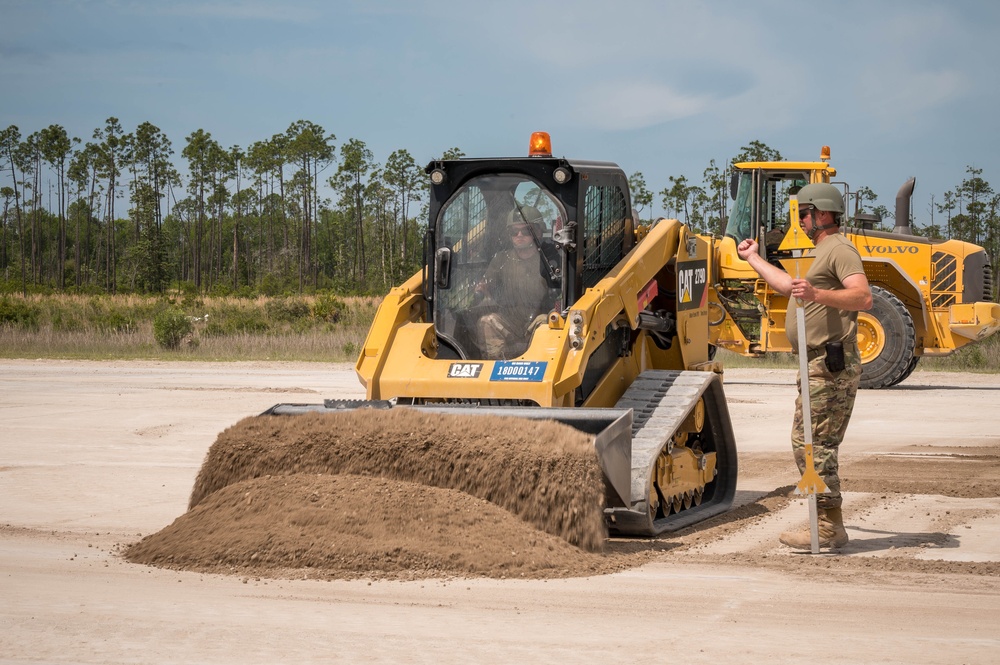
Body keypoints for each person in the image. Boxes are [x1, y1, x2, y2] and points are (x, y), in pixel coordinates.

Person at [736, 183, 873, 550]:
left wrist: (817, 294)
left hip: (830, 363)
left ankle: (828, 525)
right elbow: (789, 287)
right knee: (810, 441)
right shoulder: (822, 251)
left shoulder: (839, 249)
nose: (800, 220)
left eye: (804, 213)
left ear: (823, 214)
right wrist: (753, 258)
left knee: (813, 444)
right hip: (816, 363)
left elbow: (863, 296)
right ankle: (826, 519)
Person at [478, 205, 555, 359]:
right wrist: (482, 289)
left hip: (538, 322)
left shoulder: (551, 260)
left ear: (538, 232)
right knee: (487, 321)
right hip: (510, 323)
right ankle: (497, 369)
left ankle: (540, 369)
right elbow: (486, 285)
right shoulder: (501, 259)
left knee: (546, 322)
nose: (519, 235)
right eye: (514, 232)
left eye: (526, 230)